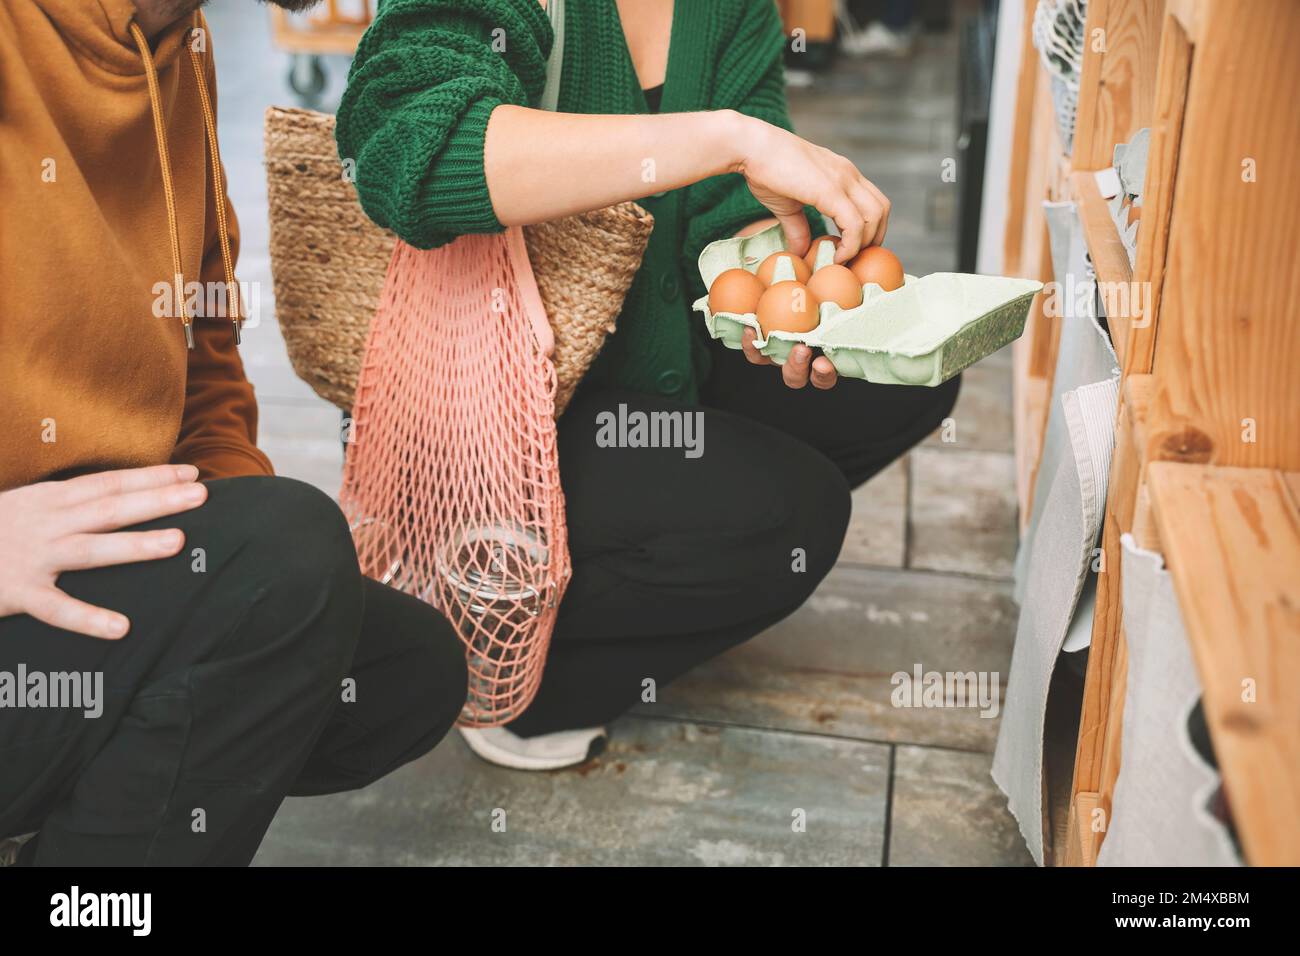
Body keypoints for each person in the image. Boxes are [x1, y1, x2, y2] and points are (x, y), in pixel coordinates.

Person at [336, 0, 959, 770]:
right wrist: (726, 140)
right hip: (493, 403)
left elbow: (723, 213)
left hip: (649, 366)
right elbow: (408, 152)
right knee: (795, 515)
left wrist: (779, 283)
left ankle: (631, 582)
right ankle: (516, 665)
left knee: (906, 375)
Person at [0, 0, 467, 866]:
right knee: (287, 566)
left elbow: (204, 363)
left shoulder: (180, 45)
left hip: (83, 570)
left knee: (400, 672)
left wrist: (248, 577)